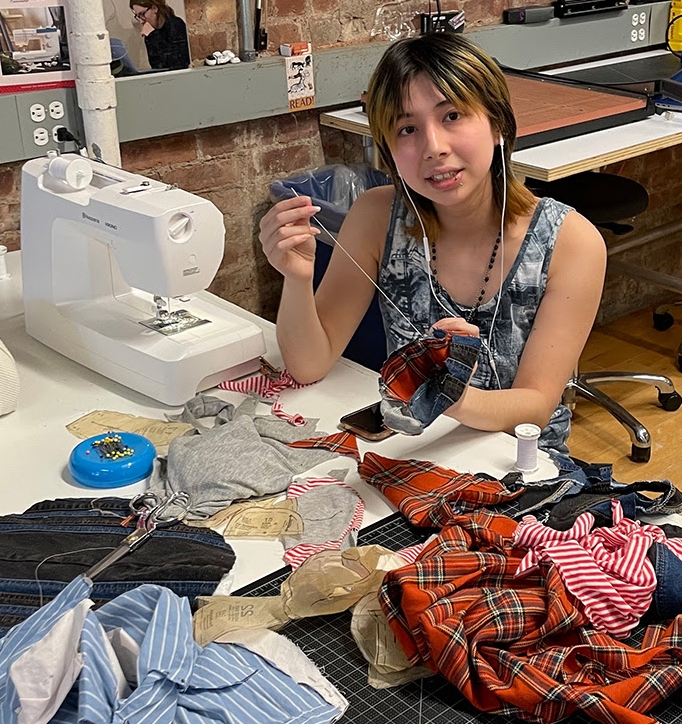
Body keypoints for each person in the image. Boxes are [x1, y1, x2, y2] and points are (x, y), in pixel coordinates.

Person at [258, 32, 607, 456]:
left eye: (453, 116)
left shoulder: (569, 242)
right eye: (407, 129)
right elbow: (308, 365)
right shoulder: (375, 217)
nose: (434, 147)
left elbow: (534, 406)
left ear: (497, 124)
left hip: (519, 469)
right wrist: (296, 279)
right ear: (388, 148)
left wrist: (449, 393)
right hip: (413, 454)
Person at [129, 0, 189, 71]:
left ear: (154, 8)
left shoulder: (176, 25)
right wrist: (151, 36)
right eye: (137, 16)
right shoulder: (149, 33)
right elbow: (157, 66)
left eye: (142, 14)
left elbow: (177, 64)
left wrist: (153, 35)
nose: (141, 21)